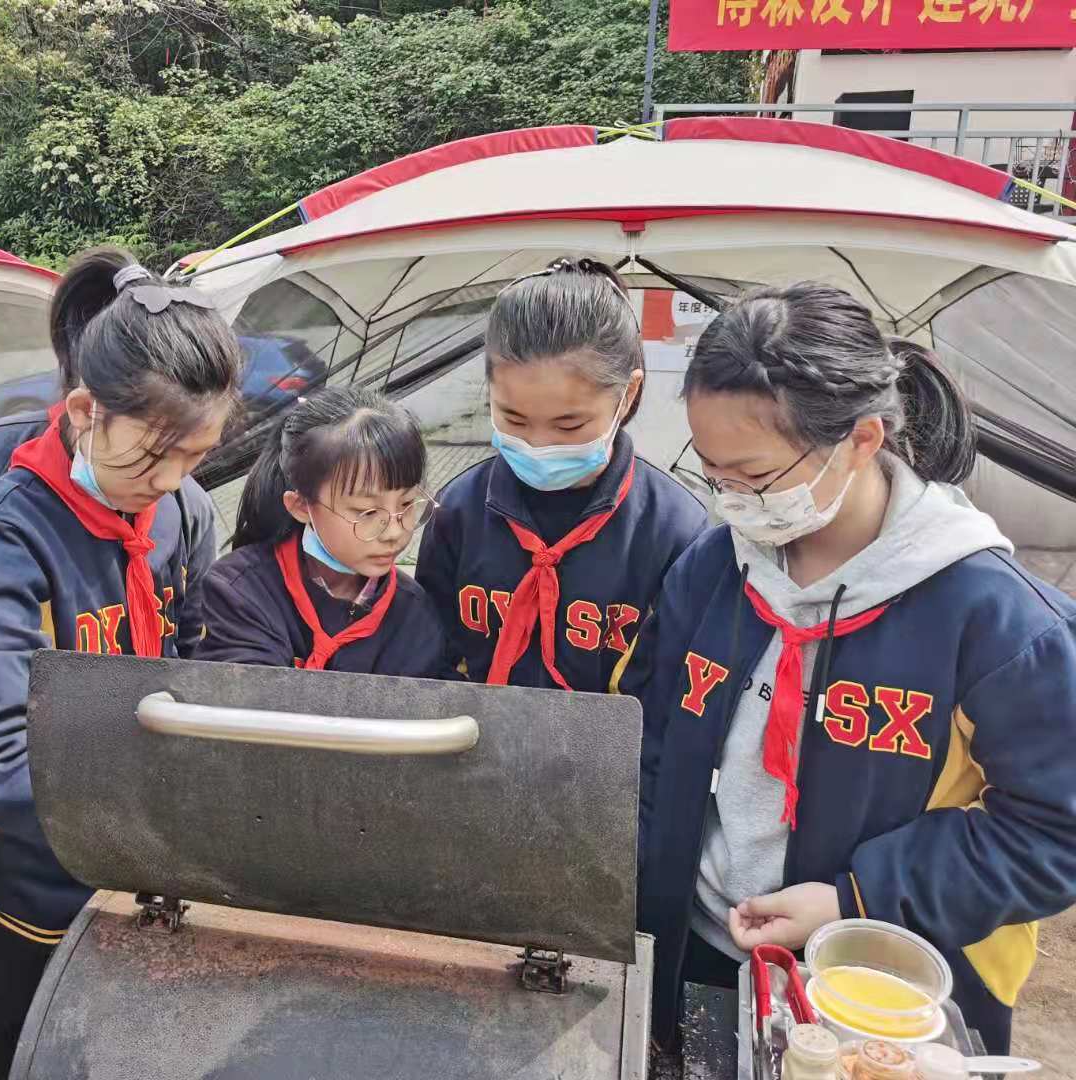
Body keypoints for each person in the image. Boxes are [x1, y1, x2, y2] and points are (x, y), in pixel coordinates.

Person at [618, 287, 1076, 1054]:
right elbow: (652, 733)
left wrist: (851, 900)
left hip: (877, 989)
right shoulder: (711, 570)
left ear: (862, 439)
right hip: (695, 943)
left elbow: (1054, 829)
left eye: (755, 477)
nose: (732, 498)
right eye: (712, 472)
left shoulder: (999, 623)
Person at [0, 248, 222, 1053]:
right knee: (11, 1031)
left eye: (196, 458)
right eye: (153, 455)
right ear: (83, 410)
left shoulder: (184, 514)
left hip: (142, 869)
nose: (170, 480)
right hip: (26, 852)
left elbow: (198, 666)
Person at [417, 258, 707, 690]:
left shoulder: (674, 530)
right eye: (513, 418)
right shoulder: (457, 510)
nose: (538, 444)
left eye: (568, 425)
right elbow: (427, 651)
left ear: (627, 394)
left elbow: (673, 688)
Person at [193, 387, 445, 676]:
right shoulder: (240, 590)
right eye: (367, 512)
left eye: (407, 504)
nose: (394, 531)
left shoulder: (413, 613)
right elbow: (252, 707)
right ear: (301, 505)